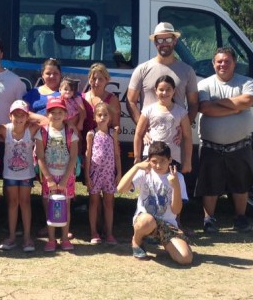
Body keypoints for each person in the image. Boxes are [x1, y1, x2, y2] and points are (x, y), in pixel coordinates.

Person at [196, 47, 253, 233]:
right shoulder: (204, 84)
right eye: (219, 61)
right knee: (210, 186)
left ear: (234, 63)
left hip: (240, 144)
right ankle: (209, 219)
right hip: (211, 145)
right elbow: (206, 108)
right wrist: (235, 107)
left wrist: (219, 103)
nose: (223, 64)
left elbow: (247, 101)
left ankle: (240, 218)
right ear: (213, 64)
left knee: (241, 185)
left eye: (227, 61)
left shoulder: (247, 81)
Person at [117, 140, 193, 265]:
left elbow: (176, 210)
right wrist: (136, 167)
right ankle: (136, 241)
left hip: (168, 225)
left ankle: (165, 242)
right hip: (146, 221)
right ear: (148, 160)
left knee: (185, 258)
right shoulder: (144, 173)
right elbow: (120, 189)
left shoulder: (177, 177)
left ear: (170, 160)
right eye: (154, 162)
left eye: (162, 161)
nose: (158, 165)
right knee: (147, 221)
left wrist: (176, 187)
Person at [126, 22, 199, 126]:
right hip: (150, 137)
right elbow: (131, 101)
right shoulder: (142, 70)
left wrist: (184, 129)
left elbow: (193, 104)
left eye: (168, 39)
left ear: (175, 41)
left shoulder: (187, 71)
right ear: (155, 42)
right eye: (160, 40)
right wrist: (142, 129)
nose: (164, 43)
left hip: (176, 138)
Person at [36, 97, 79, 252]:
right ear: (48, 114)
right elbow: (40, 157)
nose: (56, 115)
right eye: (52, 112)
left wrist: (65, 179)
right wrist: (48, 179)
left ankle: (65, 238)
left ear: (65, 114)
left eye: (59, 112)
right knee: (50, 208)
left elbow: (73, 157)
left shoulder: (71, 133)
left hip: (66, 177)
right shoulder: (42, 133)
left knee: (65, 207)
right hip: (50, 178)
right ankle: (51, 239)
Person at [0, 100, 38, 252]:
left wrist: (31, 116)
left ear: (27, 117)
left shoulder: (31, 129)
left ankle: (27, 237)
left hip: (26, 173)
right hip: (10, 173)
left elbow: (47, 121)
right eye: (15, 114)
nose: (19, 118)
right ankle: (12, 237)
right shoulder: (4, 129)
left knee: (25, 202)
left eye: (22, 115)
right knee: (13, 203)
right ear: (10, 116)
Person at [133, 76, 193, 173]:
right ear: (155, 91)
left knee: (171, 186)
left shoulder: (181, 112)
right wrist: (137, 158)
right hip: (150, 156)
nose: (164, 93)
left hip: (172, 157)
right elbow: (138, 134)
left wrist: (187, 162)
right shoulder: (148, 110)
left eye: (168, 89)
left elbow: (187, 137)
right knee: (148, 186)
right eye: (161, 90)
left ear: (174, 91)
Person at [85, 102, 122, 245]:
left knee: (108, 203)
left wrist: (119, 173)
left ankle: (109, 232)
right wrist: (87, 175)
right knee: (94, 202)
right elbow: (88, 156)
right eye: (99, 115)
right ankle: (94, 231)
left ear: (110, 118)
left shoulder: (113, 134)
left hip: (109, 174)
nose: (102, 117)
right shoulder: (91, 134)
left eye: (105, 115)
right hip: (95, 174)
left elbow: (117, 155)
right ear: (94, 117)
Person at [82, 62, 121, 134]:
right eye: (93, 79)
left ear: (106, 80)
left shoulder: (112, 100)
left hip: (104, 142)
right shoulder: (81, 99)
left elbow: (116, 126)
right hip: (84, 142)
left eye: (100, 79)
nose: (96, 82)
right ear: (89, 79)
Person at [23, 58, 62, 122]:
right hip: (36, 129)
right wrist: (43, 119)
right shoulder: (33, 92)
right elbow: (24, 112)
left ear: (60, 75)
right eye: (48, 73)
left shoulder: (68, 93)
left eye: (55, 73)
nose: (52, 76)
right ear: (42, 75)